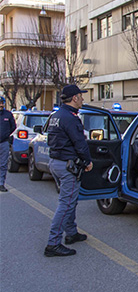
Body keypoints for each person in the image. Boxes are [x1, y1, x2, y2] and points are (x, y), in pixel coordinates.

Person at [44, 85, 94, 257]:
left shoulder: (56, 115)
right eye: (81, 96)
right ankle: (53, 244)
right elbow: (80, 143)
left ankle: (71, 233)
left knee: (69, 201)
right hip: (67, 165)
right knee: (65, 205)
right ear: (74, 98)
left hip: (56, 162)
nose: (82, 99)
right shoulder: (71, 118)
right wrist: (87, 161)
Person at [0, 96, 16, 192]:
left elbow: (13, 126)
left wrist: (6, 135)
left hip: (4, 143)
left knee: (3, 164)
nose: (1, 105)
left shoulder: (8, 114)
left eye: (2, 103)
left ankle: (1, 183)